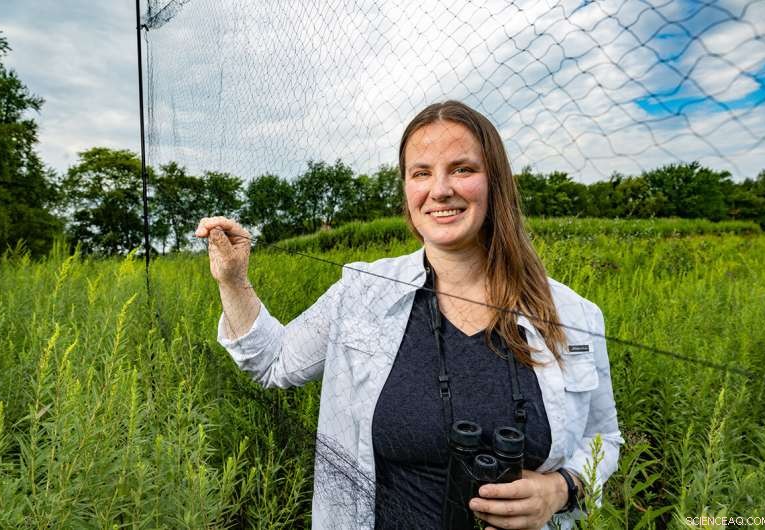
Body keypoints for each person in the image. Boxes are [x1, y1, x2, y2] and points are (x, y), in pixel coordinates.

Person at [196, 100, 623, 530]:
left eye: (462, 169)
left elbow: (604, 438)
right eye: (421, 173)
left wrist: (562, 489)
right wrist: (233, 281)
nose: (440, 190)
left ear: (496, 182)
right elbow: (273, 362)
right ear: (406, 189)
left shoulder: (572, 314)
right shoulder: (361, 292)